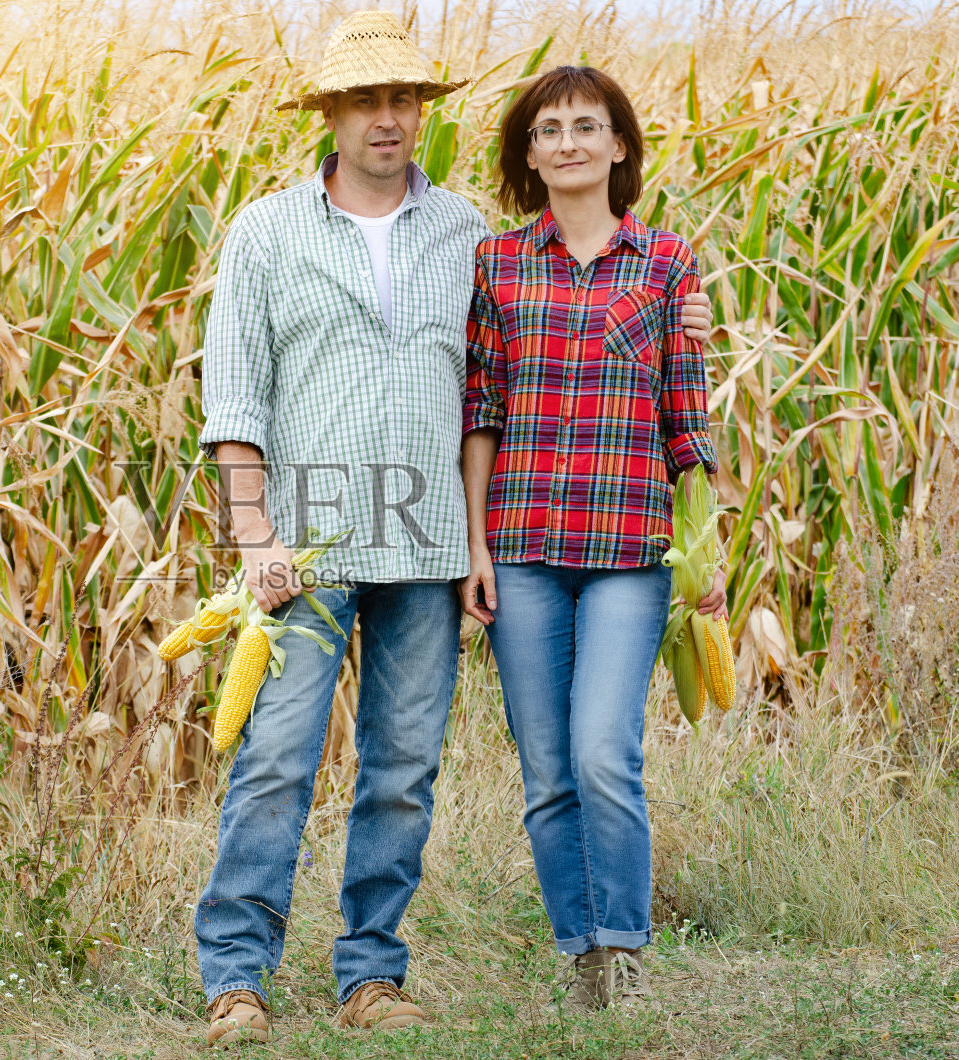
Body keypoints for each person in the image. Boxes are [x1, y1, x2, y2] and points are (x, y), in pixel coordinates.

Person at [194, 16, 714, 1045]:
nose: (387, 120)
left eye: (404, 101)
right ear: (330, 116)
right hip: (308, 546)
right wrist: (255, 537)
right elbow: (236, 404)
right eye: (364, 102)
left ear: (421, 114)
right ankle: (236, 979)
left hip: (431, 543)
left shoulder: (468, 233)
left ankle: (370, 977)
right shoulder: (266, 232)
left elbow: (539, 354)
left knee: (401, 767)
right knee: (277, 755)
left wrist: (689, 321)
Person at [459, 64, 730, 1012]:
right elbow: (482, 409)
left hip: (629, 549)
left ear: (620, 146)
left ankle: (626, 948)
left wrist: (708, 554)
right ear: (528, 154)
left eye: (588, 125)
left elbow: (684, 422)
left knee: (601, 751)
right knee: (544, 771)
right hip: (523, 544)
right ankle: (583, 958)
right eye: (548, 129)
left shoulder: (667, 265)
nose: (568, 141)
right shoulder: (497, 264)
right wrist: (475, 546)